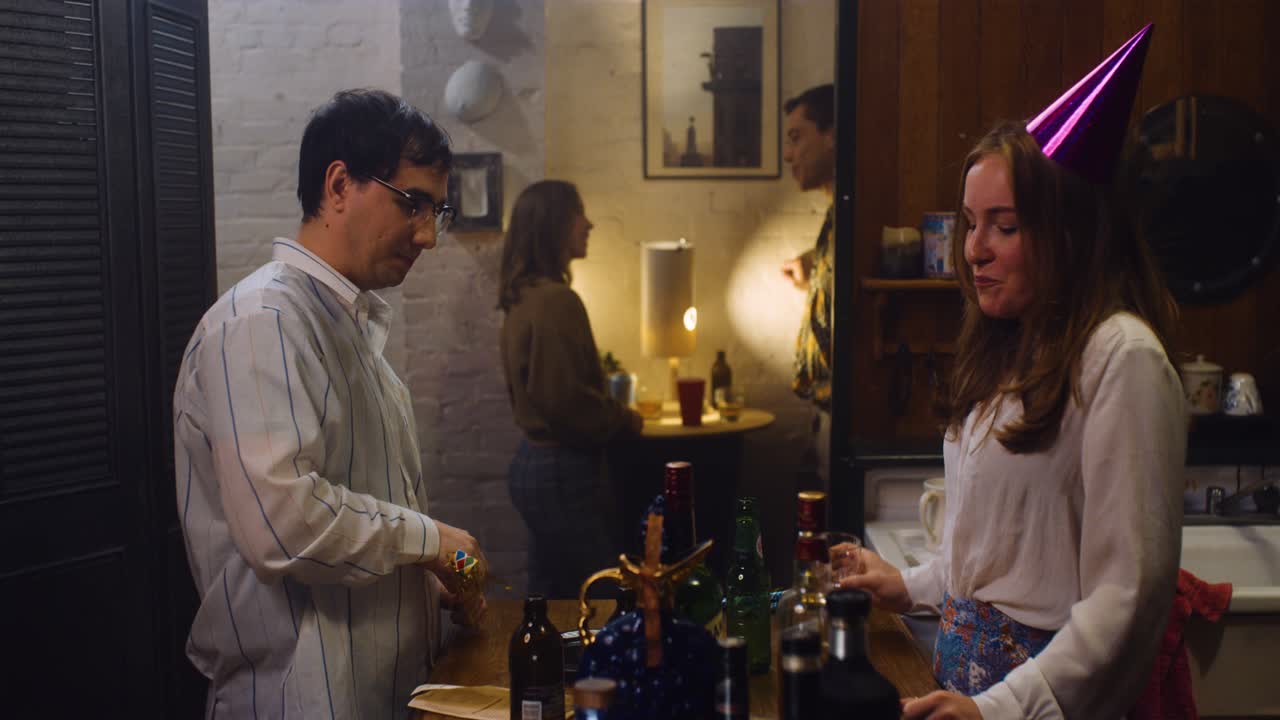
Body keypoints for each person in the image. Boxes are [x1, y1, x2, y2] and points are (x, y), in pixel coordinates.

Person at [842, 26, 1189, 719]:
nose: (974, 250)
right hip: (962, 683)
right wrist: (906, 585)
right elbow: (989, 557)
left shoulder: (1122, 358)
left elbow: (1128, 598)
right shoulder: (1005, 347)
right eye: (971, 223)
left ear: (1068, 229)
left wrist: (999, 709)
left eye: (1004, 225)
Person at [174, 88, 487, 719]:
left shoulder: (342, 323)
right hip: (296, 700)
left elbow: (358, 512)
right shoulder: (261, 320)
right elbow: (283, 523)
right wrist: (433, 542)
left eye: (438, 211)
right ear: (340, 185)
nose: (428, 235)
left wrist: (428, 582)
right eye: (414, 204)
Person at [498, 180, 644, 599]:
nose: (589, 223)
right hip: (561, 470)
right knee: (608, 593)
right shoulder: (556, 301)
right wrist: (625, 419)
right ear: (555, 225)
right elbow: (566, 402)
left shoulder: (523, 297)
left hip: (534, 464)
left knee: (555, 596)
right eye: (579, 213)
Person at [778, 83, 837, 480]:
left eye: (797, 138)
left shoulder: (855, 214)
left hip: (844, 414)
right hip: (827, 410)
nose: (788, 155)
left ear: (833, 134)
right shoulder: (837, 219)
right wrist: (813, 267)